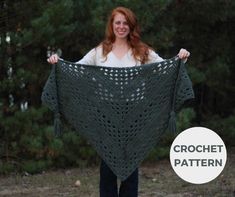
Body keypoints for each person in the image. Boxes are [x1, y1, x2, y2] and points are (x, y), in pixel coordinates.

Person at [47, 6, 190, 197]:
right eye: (118, 23)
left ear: (131, 26)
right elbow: (75, 69)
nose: (121, 27)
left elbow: (165, 67)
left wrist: (181, 58)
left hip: (135, 112)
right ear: (112, 25)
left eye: (125, 23)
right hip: (106, 112)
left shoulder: (142, 51)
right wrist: (58, 62)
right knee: (107, 165)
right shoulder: (100, 52)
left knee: (131, 164)